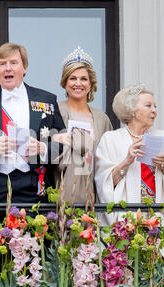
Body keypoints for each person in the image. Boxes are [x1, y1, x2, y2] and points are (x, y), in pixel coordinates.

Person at [0, 42, 66, 222]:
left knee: (37, 245)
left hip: (34, 185)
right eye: (2, 64)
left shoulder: (46, 99)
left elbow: (62, 144)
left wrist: (43, 148)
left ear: (25, 68)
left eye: (13, 63)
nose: (7, 68)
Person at [94, 84, 164, 226]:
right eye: (148, 106)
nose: (154, 111)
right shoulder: (111, 139)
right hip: (125, 221)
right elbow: (104, 184)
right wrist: (127, 161)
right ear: (131, 110)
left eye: (155, 107)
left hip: (158, 222)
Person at [51, 47, 112, 204]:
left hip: (91, 197)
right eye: (73, 78)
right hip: (59, 197)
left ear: (91, 83)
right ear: (65, 82)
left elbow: (107, 160)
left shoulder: (101, 119)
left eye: (84, 79)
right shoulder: (54, 111)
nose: (78, 84)